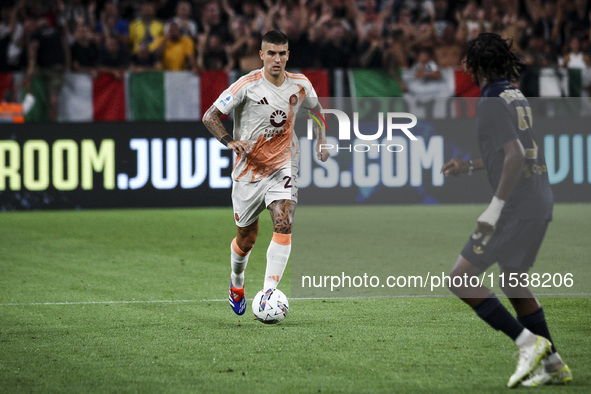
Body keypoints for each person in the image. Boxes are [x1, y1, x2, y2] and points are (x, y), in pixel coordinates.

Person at [441, 33, 572, 388]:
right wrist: (467, 166)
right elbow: (515, 151)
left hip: (517, 205)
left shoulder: (490, 102)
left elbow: (513, 155)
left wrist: (494, 210)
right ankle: (554, 364)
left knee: (460, 278)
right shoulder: (514, 95)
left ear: (474, 65)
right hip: (539, 198)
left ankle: (529, 344)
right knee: (513, 281)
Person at [202, 30, 329, 315]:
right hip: (248, 171)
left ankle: (268, 293)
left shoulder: (300, 84)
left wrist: (321, 140)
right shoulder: (246, 85)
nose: (277, 59)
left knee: (284, 222)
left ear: (288, 55)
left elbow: (317, 110)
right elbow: (209, 116)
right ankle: (237, 282)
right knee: (246, 239)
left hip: (284, 163)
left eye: (282, 53)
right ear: (261, 55)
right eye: (271, 53)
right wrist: (229, 141)